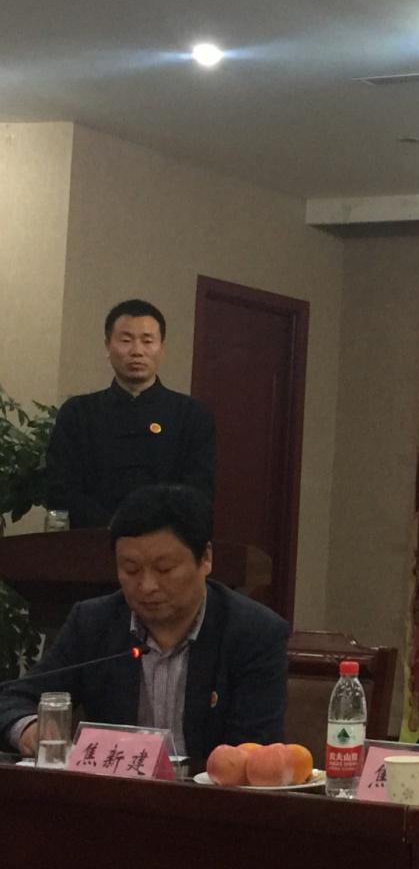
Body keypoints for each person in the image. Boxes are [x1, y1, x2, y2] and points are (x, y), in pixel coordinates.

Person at [0, 483, 288, 764]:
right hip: (111, 792)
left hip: (209, 794)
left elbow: (255, 749)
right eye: (131, 569)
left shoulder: (254, 633)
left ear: (205, 558)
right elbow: (14, 697)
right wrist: (29, 729)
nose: (147, 586)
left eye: (164, 569)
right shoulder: (93, 623)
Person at [45, 298, 216, 528]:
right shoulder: (78, 413)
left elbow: (198, 491)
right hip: (92, 538)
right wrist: (113, 527)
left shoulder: (192, 415)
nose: (137, 351)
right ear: (108, 346)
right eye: (126, 340)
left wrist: (150, 531)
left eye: (147, 341)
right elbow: (60, 488)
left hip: (165, 541)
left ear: (162, 348)